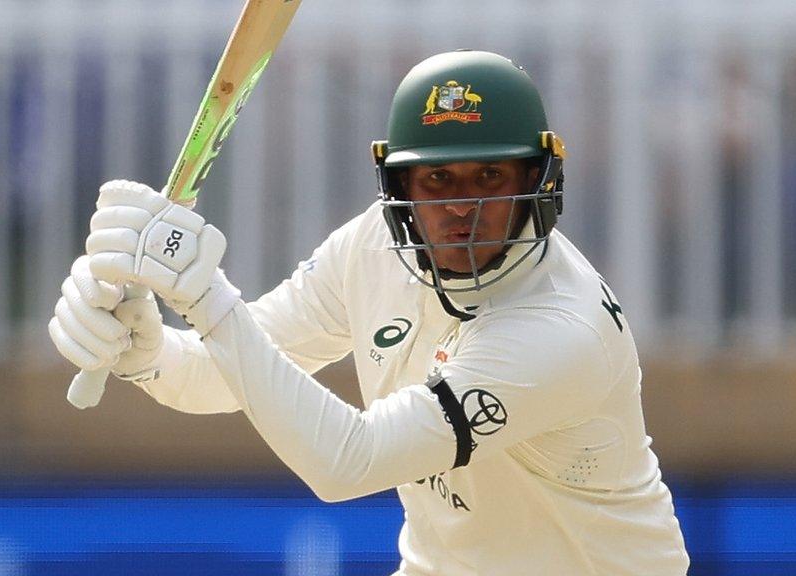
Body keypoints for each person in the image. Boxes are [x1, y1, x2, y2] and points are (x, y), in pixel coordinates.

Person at [49, 50, 689, 575]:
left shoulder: (559, 331)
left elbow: (347, 462)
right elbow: (228, 372)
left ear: (540, 182)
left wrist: (204, 297)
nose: (462, 207)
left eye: (489, 177)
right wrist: (152, 354)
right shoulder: (373, 247)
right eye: (437, 180)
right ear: (399, 188)